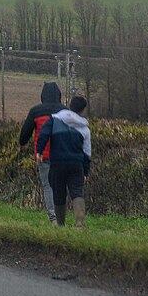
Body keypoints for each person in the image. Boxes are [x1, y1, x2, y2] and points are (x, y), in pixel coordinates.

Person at [35, 96, 91, 228]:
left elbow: (43, 133)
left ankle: (60, 225)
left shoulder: (54, 119)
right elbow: (87, 153)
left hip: (57, 163)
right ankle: (79, 224)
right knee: (77, 192)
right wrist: (85, 171)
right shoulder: (85, 128)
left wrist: (40, 151)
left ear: (69, 105)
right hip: (76, 164)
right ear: (83, 110)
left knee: (59, 193)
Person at [18, 82, 65, 226]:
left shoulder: (36, 111)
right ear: (58, 95)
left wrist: (22, 143)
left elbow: (24, 134)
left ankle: (54, 218)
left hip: (43, 156)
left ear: (43, 95)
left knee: (48, 186)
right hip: (63, 155)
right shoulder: (65, 110)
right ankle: (62, 217)